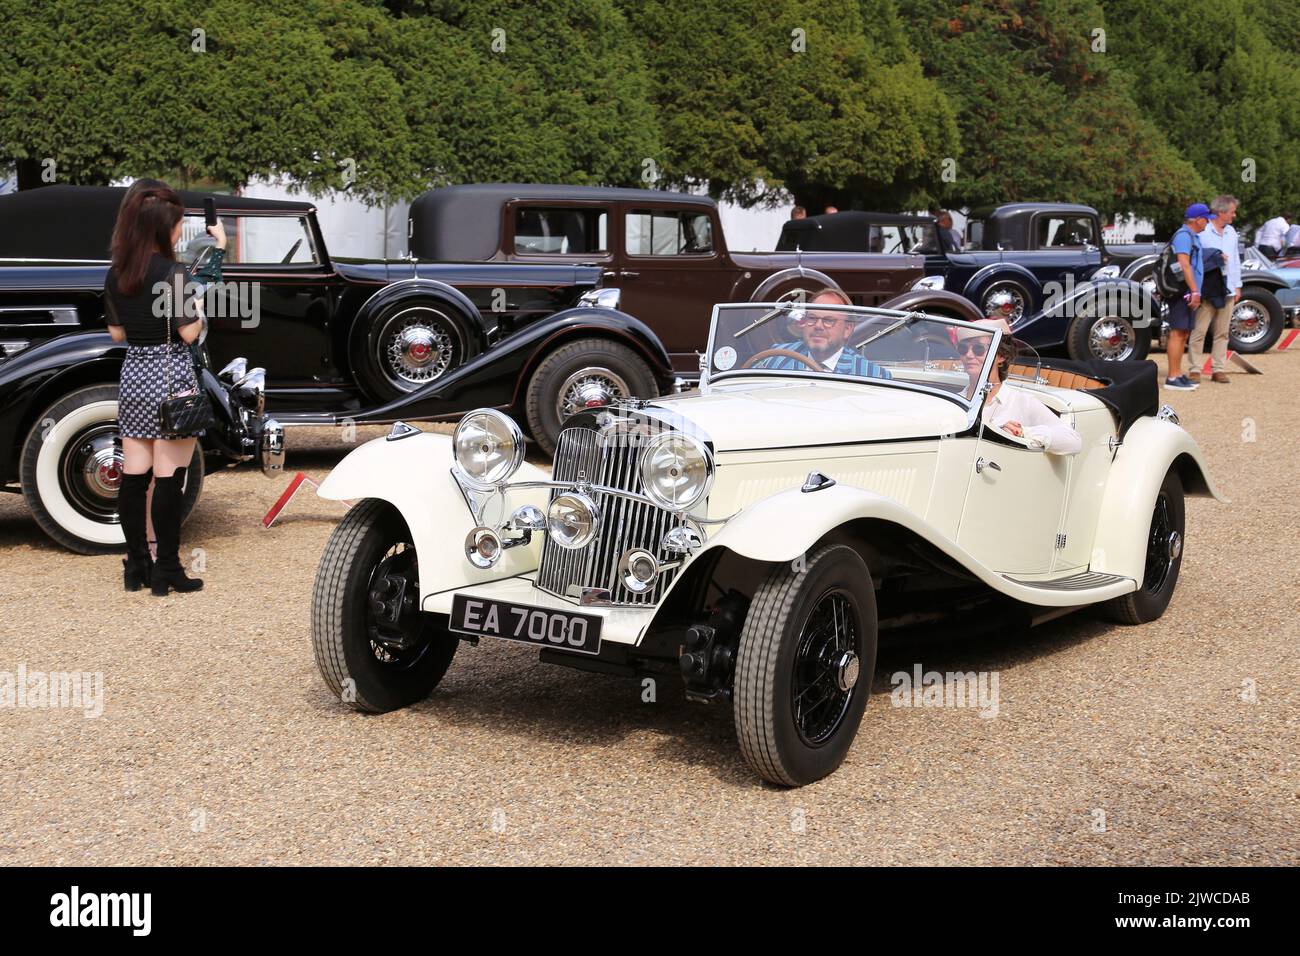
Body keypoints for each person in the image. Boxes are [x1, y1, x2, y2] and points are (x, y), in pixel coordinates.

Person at [105, 182, 226, 596]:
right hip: (170, 376)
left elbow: (117, 332)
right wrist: (201, 299)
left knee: (135, 476)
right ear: (160, 228)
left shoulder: (116, 273)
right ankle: (168, 570)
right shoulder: (172, 274)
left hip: (134, 375)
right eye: (176, 225)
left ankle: (136, 565)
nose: (179, 233)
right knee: (170, 476)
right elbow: (190, 334)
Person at [958, 319, 1081, 455]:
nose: (968, 355)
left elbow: (1074, 441)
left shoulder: (1022, 402)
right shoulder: (954, 403)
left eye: (978, 349)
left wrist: (1024, 432)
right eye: (963, 349)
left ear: (1001, 356)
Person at [757, 289, 891, 378]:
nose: (818, 326)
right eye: (812, 318)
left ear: (847, 329)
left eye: (828, 320)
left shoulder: (871, 375)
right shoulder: (775, 358)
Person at [1190, 195, 1241, 385]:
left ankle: (1218, 369)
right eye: (1232, 211)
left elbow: (1235, 259)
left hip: (1227, 288)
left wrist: (1237, 285)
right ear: (1221, 212)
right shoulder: (1203, 232)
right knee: (1199, 330)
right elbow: (1194, 259)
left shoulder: (1232, 232)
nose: (1234, 215)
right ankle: (1194, 369)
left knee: (1223, 332)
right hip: (1208, 288)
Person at [1163, 203, 1211, 391]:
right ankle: (1172, 377)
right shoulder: (1183, 236)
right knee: (1177, 332)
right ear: (1198, 219)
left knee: (1183, 333)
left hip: (1188, 291)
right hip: (1182, 291)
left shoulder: (1191, 236)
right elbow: (1184, 264)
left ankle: (1177, 373)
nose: (1207, 222)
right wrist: (1194, 290)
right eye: (1206, 218)